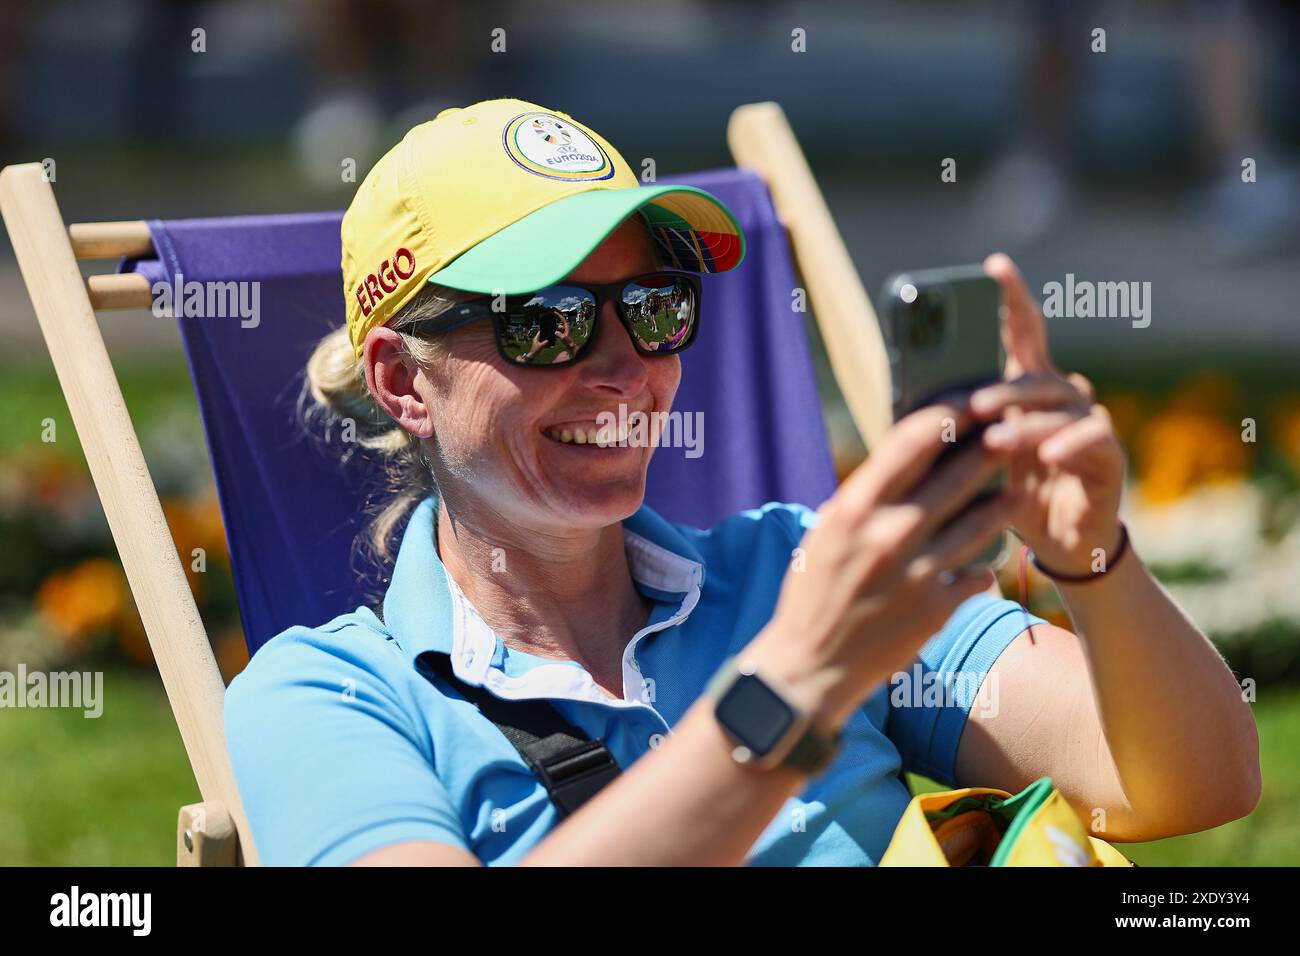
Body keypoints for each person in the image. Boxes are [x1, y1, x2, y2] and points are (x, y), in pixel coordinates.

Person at [224, 98, 1260, 866]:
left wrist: (1091, 555)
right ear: (406, 379)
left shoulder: (795, 568)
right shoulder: (329, 696)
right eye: (549, 319)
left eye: (656, 306)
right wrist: (795, 685)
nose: (625, 364)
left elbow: (1193, 780)